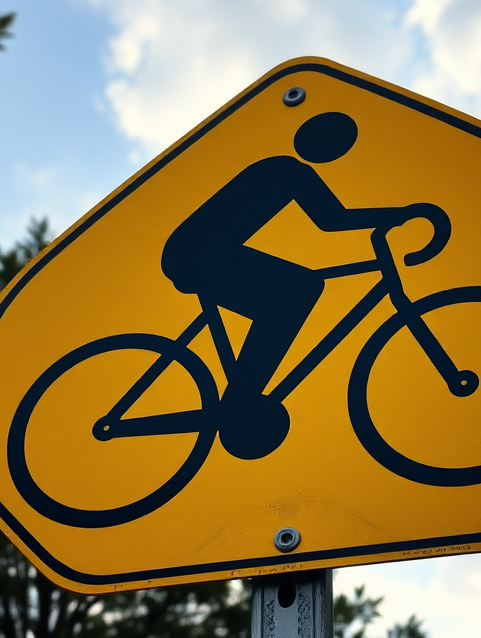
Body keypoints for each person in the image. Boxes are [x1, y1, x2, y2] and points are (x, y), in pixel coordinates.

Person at [161, 110, 418, 459]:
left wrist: (395, 216)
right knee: (299, 288)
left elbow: (330, 219)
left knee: (299, 286)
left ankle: (242, 397)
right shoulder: (286, 169)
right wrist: (399, 215)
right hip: (197, 255)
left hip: (196, 253)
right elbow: (331, 219)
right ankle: (241, 402)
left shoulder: (283, 167)